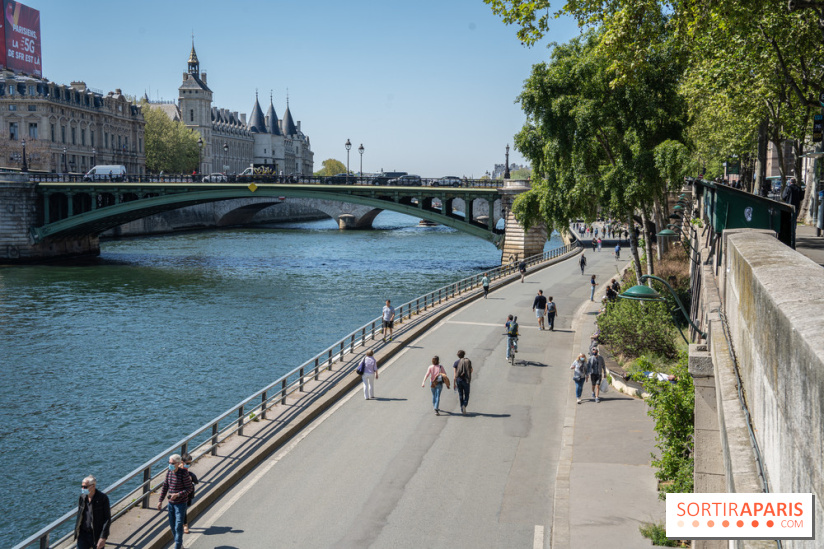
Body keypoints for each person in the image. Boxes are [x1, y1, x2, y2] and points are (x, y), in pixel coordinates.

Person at [157, 454, 194, 549]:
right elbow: (165, 486)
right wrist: (160, 500)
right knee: (172, 526)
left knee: (178, 526)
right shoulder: (169, 472)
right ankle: (180, 544)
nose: (170, 465)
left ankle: (177, 546)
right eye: (169, 463)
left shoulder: (183, 474)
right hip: (171, 504)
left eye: (172, 463)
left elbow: (189, 488)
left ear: (178, 463)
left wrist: (178, 494)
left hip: (181, 504)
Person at [74, 475, 111, 549]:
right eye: (82, 486)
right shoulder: (82, 497)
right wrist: (77, 533)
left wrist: (103, 537)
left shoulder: (103, 498)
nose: (83, 489)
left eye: (85, 487)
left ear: (93, 486)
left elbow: (107, 519)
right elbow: (80, 515)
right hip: (83, 534)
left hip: (96, 534)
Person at [181, 454, 199, 535]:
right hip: (178, 493)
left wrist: (191, 477)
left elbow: (196, 481)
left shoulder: (188, 471)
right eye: (187, 463)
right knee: (182, 509)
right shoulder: (176, 469)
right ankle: (184, 525)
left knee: (184, 508)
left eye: (190, 464)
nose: (188, 465)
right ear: (182, 462)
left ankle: (183, 524)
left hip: (186, 493)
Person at [453, 350, 473, 415]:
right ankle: (464, 404)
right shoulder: (467, 361)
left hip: (459, 380)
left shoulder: (456, 363)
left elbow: (455, 374)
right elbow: (471, 370)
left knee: (460, 394)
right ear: (464, 354)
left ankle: (461, 409)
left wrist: (454, 383)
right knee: (467, 394)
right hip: (466, 380)